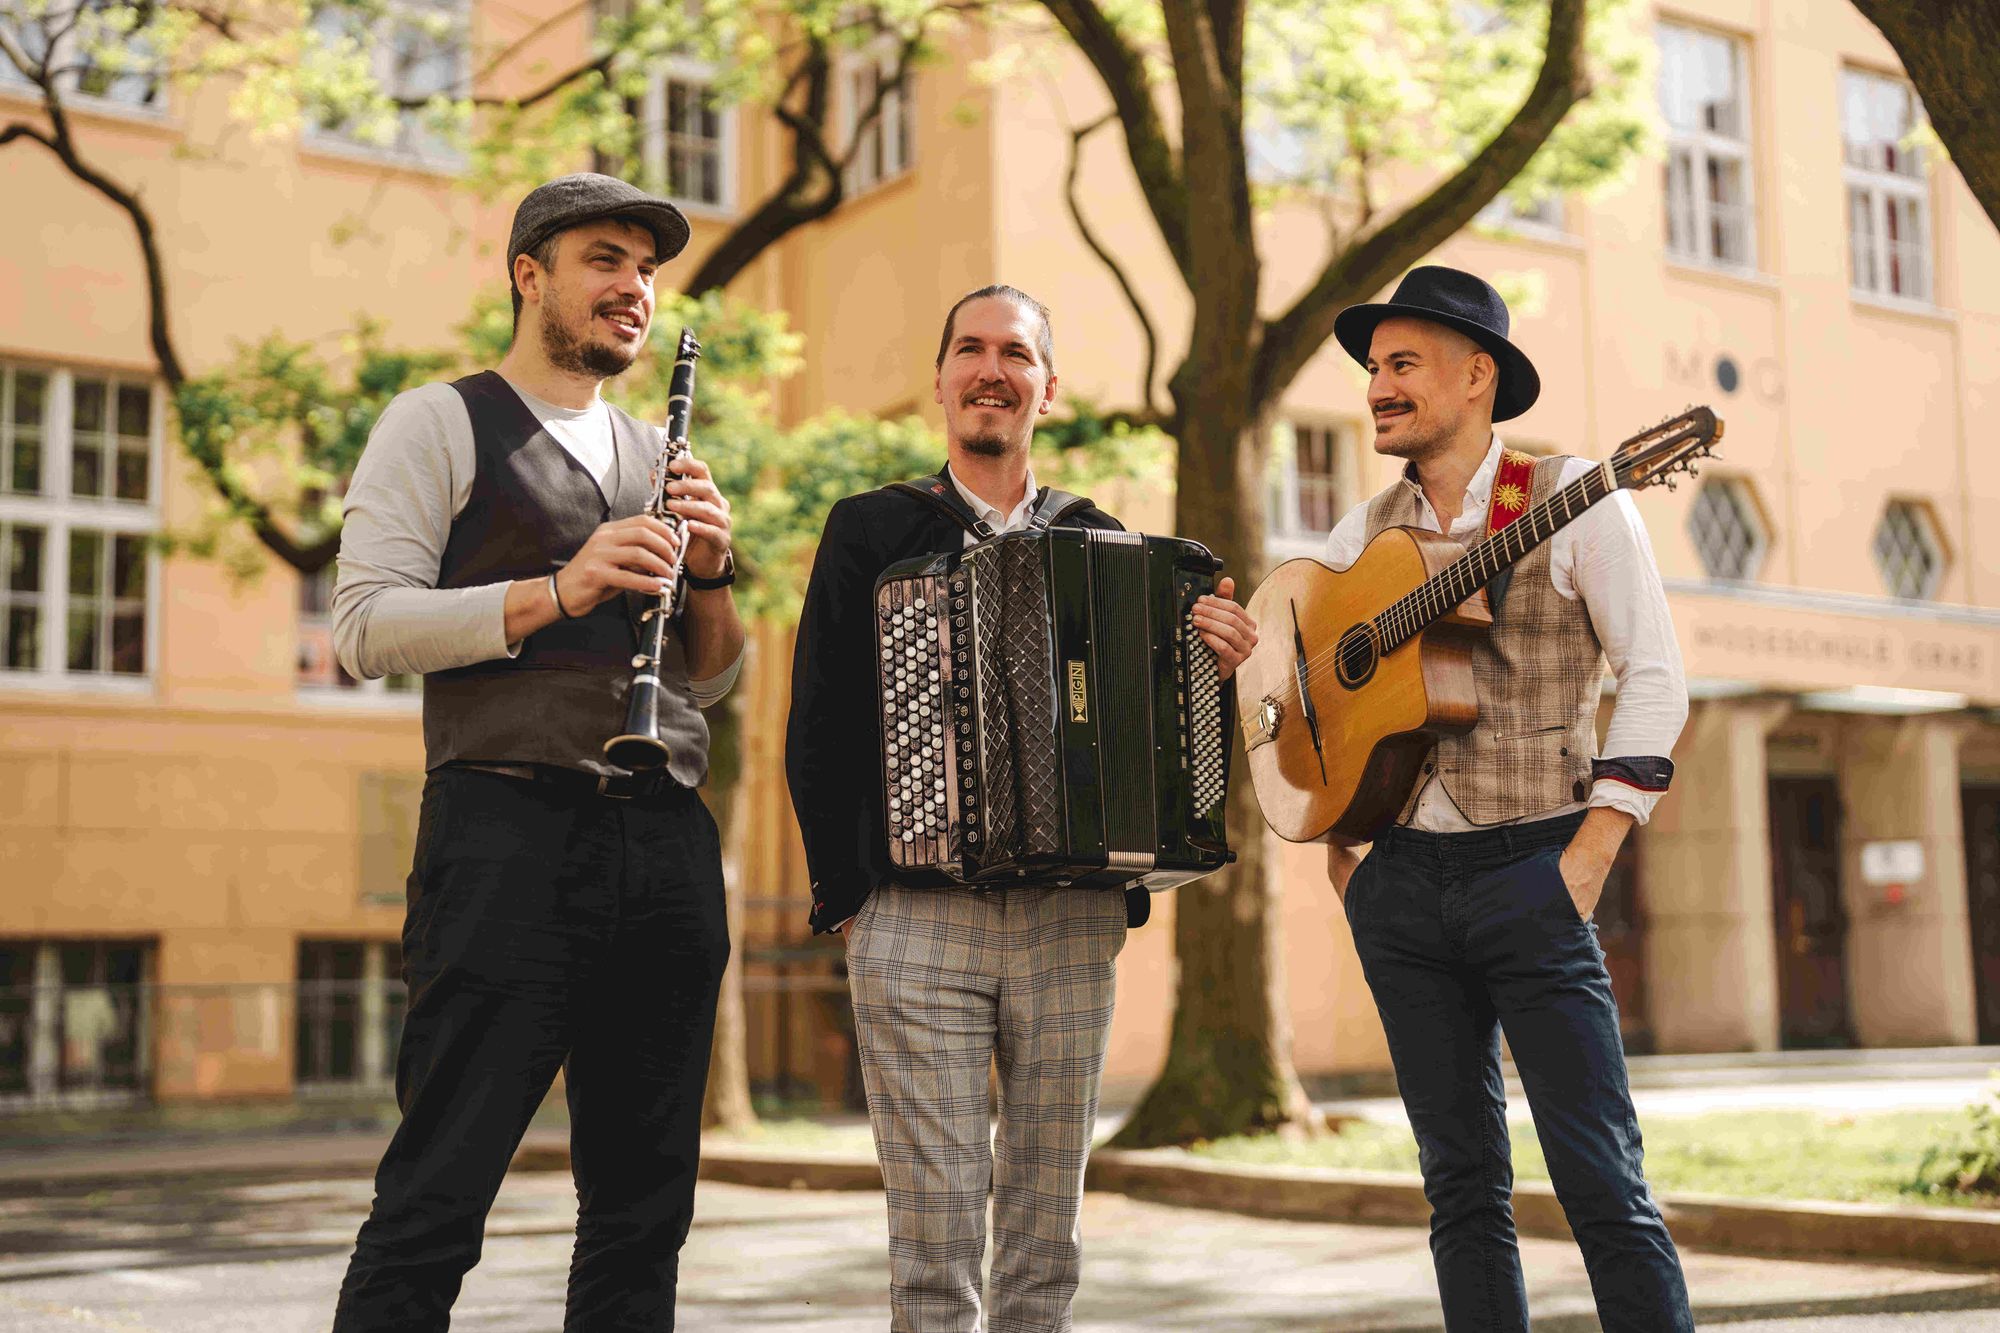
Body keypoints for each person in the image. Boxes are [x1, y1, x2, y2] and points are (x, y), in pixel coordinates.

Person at [785, 285, 1256, 1333]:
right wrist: (850, 904)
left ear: (1047, 386)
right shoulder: (870, 529)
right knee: (934, 1244)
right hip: (912, 917)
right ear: (942, 376)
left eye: (1013, 352)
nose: (989, 369)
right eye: (969, 349)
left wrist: (1209, 662)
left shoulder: (1101, 543)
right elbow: (815, 716)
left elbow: (1159, 740)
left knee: (1046, 1241)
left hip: (1069, 920)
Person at [328, 172, 744, 1329]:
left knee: (644, 1205)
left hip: (663, 842)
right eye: (605, 259)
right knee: (438, 1194)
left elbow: (712, 676)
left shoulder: (651, 449)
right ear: (530, 275)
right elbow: (363, 625)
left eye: (647, 271)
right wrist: (554, 591)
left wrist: (709, 563)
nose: (633, 288)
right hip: (506, 831)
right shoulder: (439, 419)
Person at [1312, 265, 1693, 1331]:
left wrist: (1592, 850)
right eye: (1372, 369)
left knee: (1600, 1183)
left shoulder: (1572, 497)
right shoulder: (1357, 535)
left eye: (1401, 365)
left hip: (1535, 864)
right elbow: (1316, 696)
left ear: (1475, 374)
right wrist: (1341, 849)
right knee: (1459, 1189)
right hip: (1400, 886)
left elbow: (1654, 675)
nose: (1377, 386)